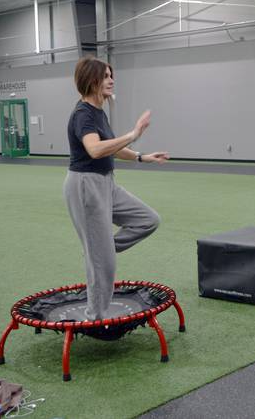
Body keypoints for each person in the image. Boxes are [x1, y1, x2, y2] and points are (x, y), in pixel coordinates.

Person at [64, 55, 170, 320]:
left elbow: (112, 147)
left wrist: (141, 156)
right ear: (92, 80)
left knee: (148, 220)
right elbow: (95, 149)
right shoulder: (83, 114)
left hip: (106, 183)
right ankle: (95, 319)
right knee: (105, 266)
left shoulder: (99, 111)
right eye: (106, 76)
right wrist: (133, 134)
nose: (111, 80)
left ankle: (98, 249)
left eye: (112, 75)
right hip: (86, 186)